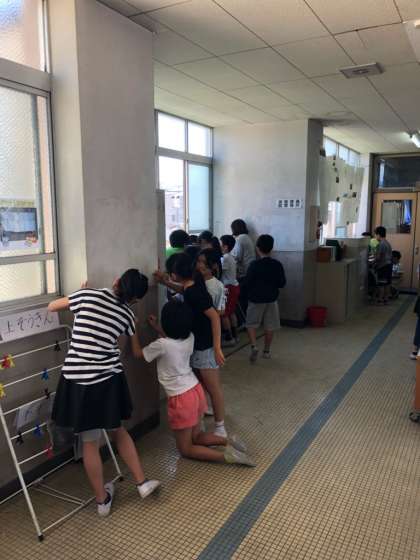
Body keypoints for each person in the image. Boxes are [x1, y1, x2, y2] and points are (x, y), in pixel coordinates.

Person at [48, 270, 160, 517]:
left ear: (117, 281)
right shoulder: (127, 315)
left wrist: (79, 294)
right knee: (118, 430)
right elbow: (120, 342)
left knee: (89, 442)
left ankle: (102, 501)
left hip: (77, 380)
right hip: (107, 381)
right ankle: (141, 483)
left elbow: (52, 306)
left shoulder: (87, 296)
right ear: (135, 299)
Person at [140, 300, 254, 466]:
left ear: (167, 322)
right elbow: (172, 342)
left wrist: (132, 331)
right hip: (195, 391)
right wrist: (157, 328)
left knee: (186, 449)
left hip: (180, 399)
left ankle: (226, 457)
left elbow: (138, 353)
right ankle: (228, 441)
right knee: (197, 436)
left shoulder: (161, 345)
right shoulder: (190, 337)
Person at [172, 254, 228, 438]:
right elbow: (182, 289)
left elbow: (215, 317)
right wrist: (165, 282)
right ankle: (201, 420)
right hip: (197, 345)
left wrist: (217, 348)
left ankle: (220, 428)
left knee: (213, 388)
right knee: (200, 385)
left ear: (177, 274)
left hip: (205, 346)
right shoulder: (191, 287)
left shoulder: (194, 291)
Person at [245, 235, 286, 363]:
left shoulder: (254, 265)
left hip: (256, 299)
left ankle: (254, 346)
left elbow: (247, 282)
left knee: (251, 324)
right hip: (271, 299)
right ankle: (266, 351)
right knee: (270, 326)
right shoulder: (277, 265)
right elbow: (282, 283)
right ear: (271, 248)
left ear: (257, 248)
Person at [220, 235, 240, 347]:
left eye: (220, 244)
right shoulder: (231, 257)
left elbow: (220, 270)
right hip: (234, 286)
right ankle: (235, 336)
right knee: (231, 312)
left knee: (224, 314)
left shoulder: (225, 258)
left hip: (228, 288)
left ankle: (229, 338)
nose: (219, 246)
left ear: (225, 247)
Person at [374, 226, 393, 304]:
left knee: (381, 283)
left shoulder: (380, 244)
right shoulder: (388, 243)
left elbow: (378, 257)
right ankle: (386, 299)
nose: (375, 237)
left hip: (383, 266)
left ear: (378, 234)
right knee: (387, 283)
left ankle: (380, 299)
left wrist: (374, 260)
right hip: (389, 265)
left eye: (375, 235)